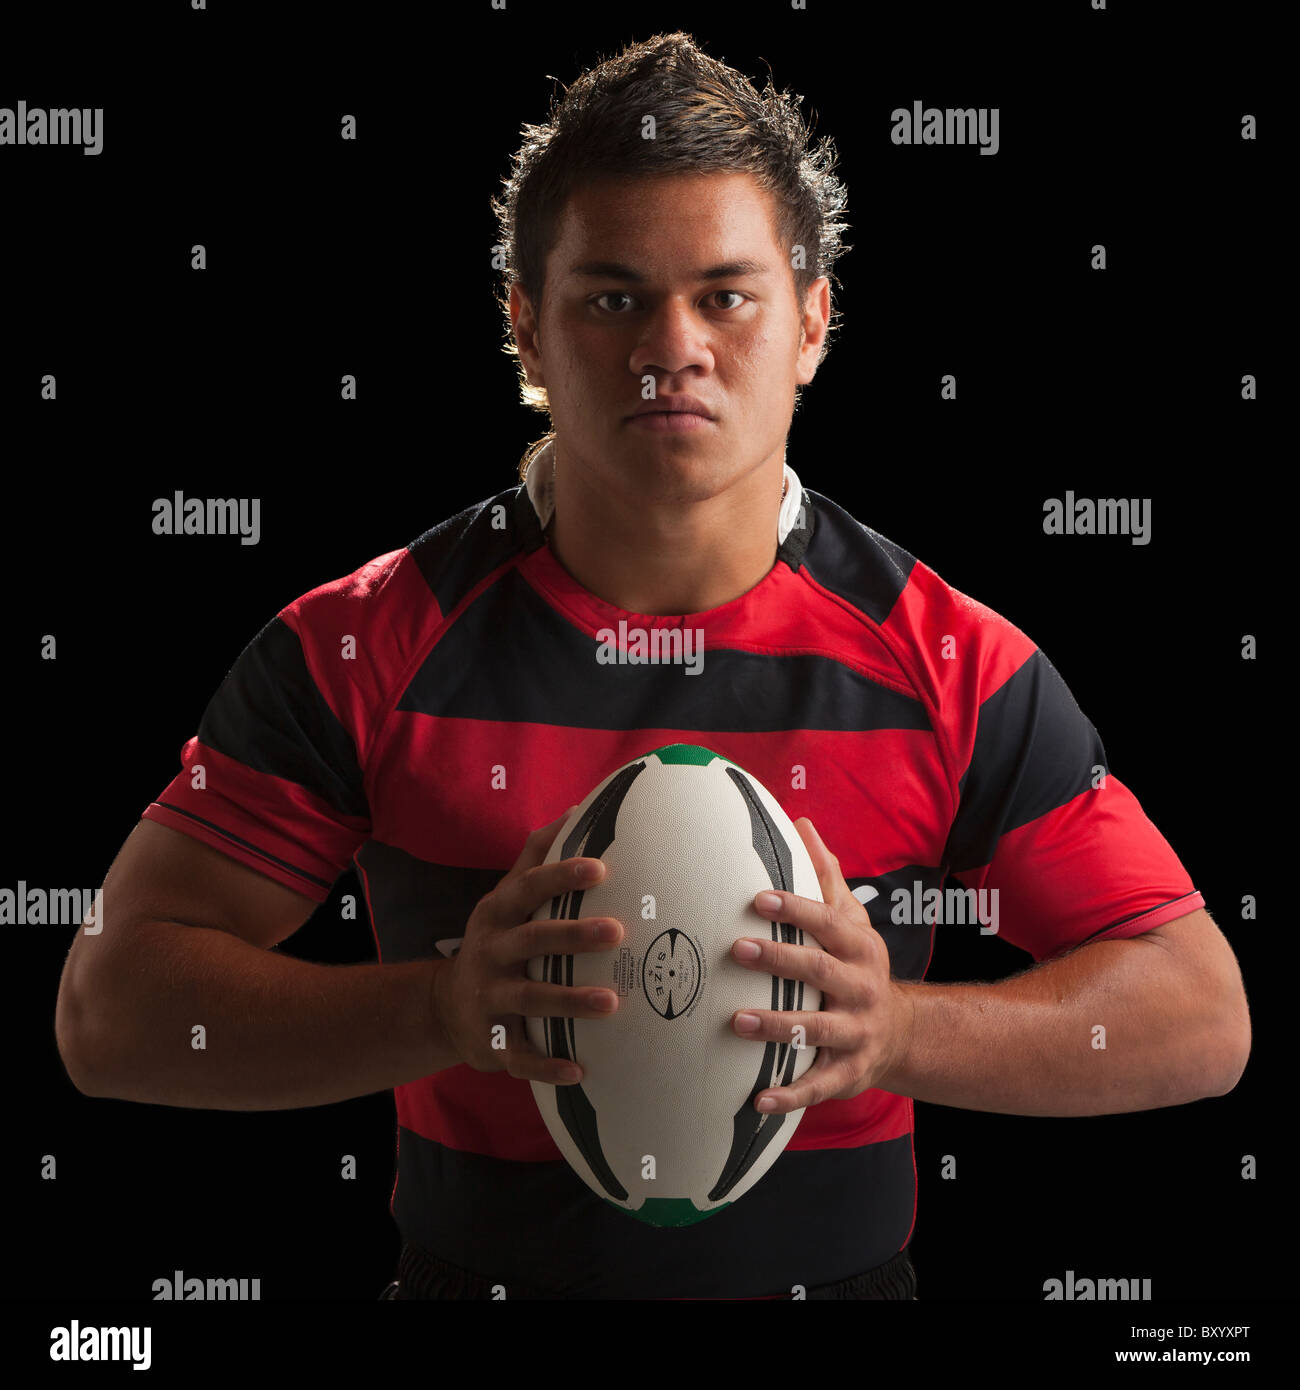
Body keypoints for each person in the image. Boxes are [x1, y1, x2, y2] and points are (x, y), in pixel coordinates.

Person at [54, 32, 1250, 1301]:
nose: (668, 346)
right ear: (525, 325)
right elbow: (108, 1014)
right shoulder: (360, 646)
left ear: (812, 323)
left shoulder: (950, 661)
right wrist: (445, 1008)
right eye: (611, 296)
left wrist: (896, 1029)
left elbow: (1199, 1015)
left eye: (726, 295)